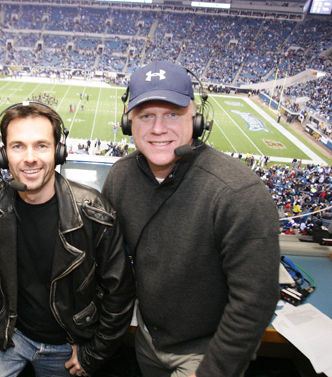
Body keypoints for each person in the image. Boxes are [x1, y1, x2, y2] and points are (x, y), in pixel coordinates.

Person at [102, 61, 280, 377]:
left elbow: (255, 300)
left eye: (173, 114)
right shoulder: (120, 178)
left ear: (196, 120)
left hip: (206, 352)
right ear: (129, 123)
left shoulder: (238, 192)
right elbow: (109, 266)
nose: (158, 128)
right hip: (147, 339)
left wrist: (214, 370)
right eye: (146, 116)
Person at [0, 102, 135, 377]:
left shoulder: (93, 211)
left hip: (66, 346)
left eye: (41, 145)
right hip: (9, 337)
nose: (30, 158)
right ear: (3, 154)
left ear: (58, 150)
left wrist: (93, 354)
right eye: (18, 146)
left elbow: (119, 293)